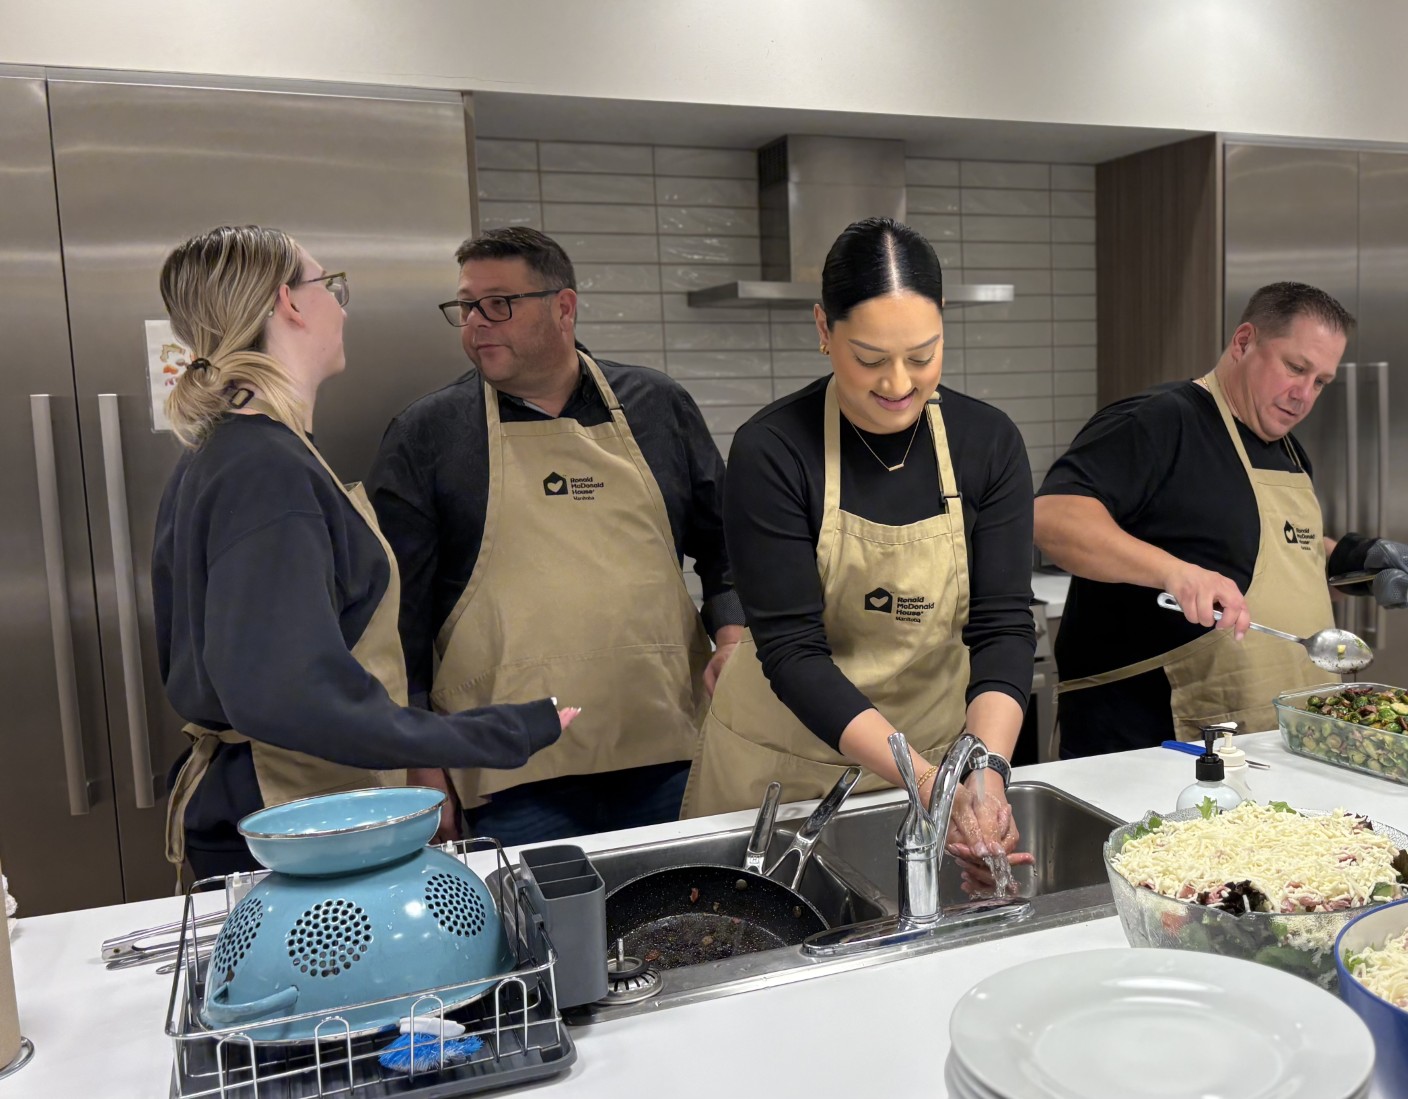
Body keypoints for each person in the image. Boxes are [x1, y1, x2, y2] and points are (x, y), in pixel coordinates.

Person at [152, 225, 574, 882]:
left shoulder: (237, 449)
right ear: (288, 303)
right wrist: (492, 734)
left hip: (288, 814)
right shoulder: (263, 466)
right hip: (284, 822)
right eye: (330, 286)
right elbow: (295, 695)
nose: (340, 307)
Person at [681, 218, 1035, 890]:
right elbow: (792, 651)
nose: (899, 383)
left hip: (929, 765)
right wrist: (930, 782)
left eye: (923, 355)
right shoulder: (774, 451)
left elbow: (1003, 626)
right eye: (870, 358)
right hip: (778, 777)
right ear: (823, 328)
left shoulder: (988, 443)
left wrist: (983, 776)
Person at [367, 228, 739, 846]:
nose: (477, 323)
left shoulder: (659, 407)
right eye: (466, 307)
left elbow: (728, 546)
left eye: (498, 304)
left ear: (563, 307)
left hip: (669, 751)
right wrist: (420, 764)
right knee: (543, 939)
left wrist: (731, 636)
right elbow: (395, 621)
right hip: (510, 775)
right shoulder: (427, 434)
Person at [1035, 283, 1408, 758]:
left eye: (1320, 381)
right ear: (1243, 342)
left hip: (1266, 743)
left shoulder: (1289, 450)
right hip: (1152, 743)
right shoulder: (1161, 421)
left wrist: (1358, 562)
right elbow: (1052, 517)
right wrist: (1176, 573)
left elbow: (1268, 545)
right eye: (1295, 368)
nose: (1303, 395)